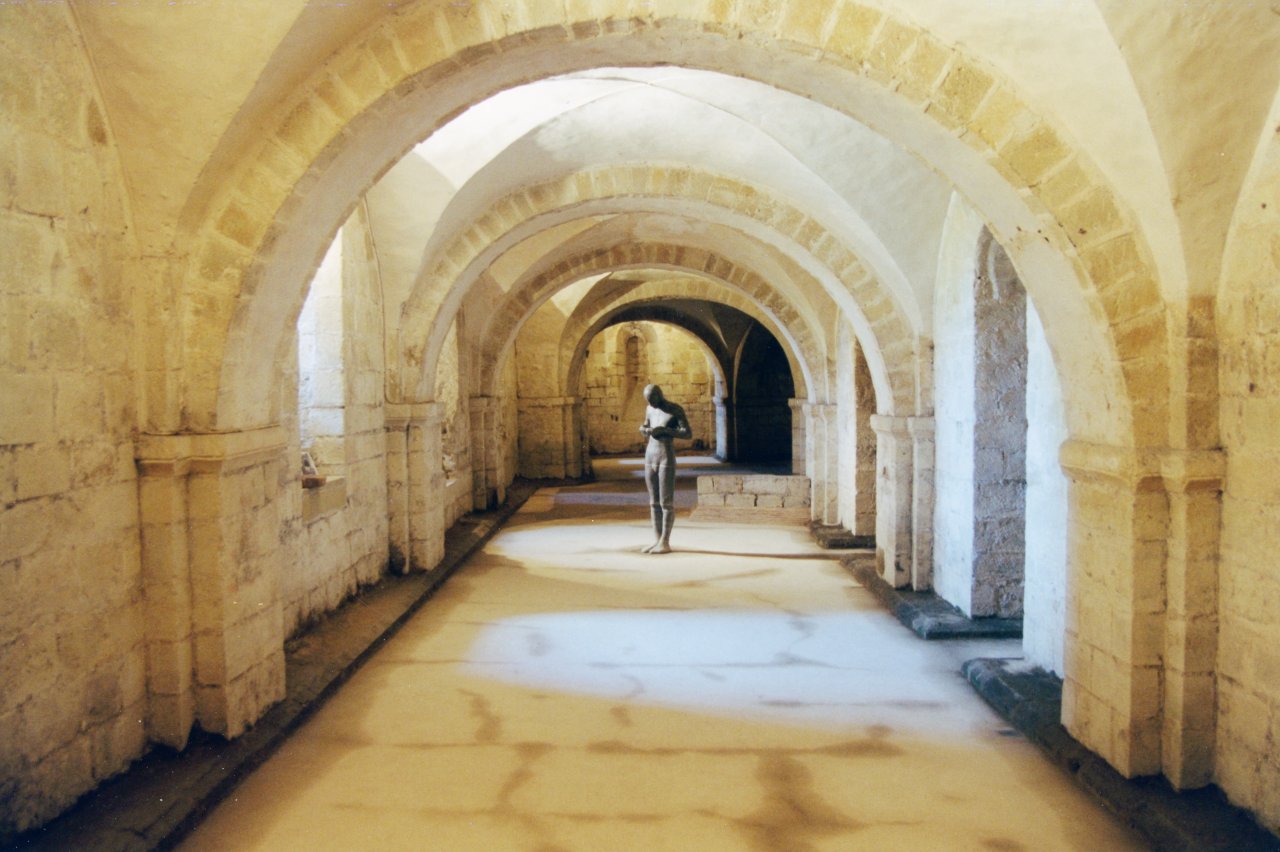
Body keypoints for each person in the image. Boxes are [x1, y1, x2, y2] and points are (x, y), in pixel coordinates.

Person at [638, 384, 692, 553]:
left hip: (665, 455)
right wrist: (644, 429)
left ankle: (665, 542)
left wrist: (666, 431)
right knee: (653, 502)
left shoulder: (675, 410)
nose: (650, 403)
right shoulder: (649, 409)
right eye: (648, 400)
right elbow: (646, 425)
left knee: (666, 503)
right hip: (650, 455)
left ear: (659, 395)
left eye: (652, 399)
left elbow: (687, 433)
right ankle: (657, 540)